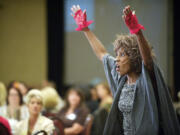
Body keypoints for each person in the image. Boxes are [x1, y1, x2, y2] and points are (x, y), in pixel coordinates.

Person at [70, 5, 180, 135]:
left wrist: (137, 32)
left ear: (134, 58)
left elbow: (148, 61)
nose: (116, 59)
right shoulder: (120, 79)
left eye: (122, 55)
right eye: (116, 54)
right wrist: (86, 29)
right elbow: (102, 54)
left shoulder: (146, 79)